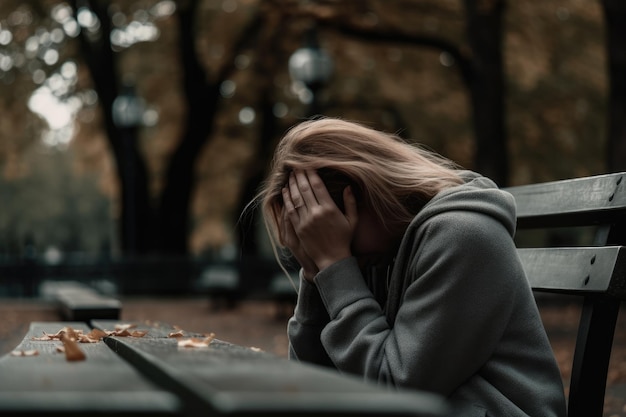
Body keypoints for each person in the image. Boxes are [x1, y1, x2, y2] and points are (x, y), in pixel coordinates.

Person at [256, 117, 566, 416]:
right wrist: (315, 275)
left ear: (366, 193)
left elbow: (396, 390)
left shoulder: (463, 235)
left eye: (332, 234)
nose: (337, 250)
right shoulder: (383, 249)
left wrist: (335, 266)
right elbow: (312, 385)